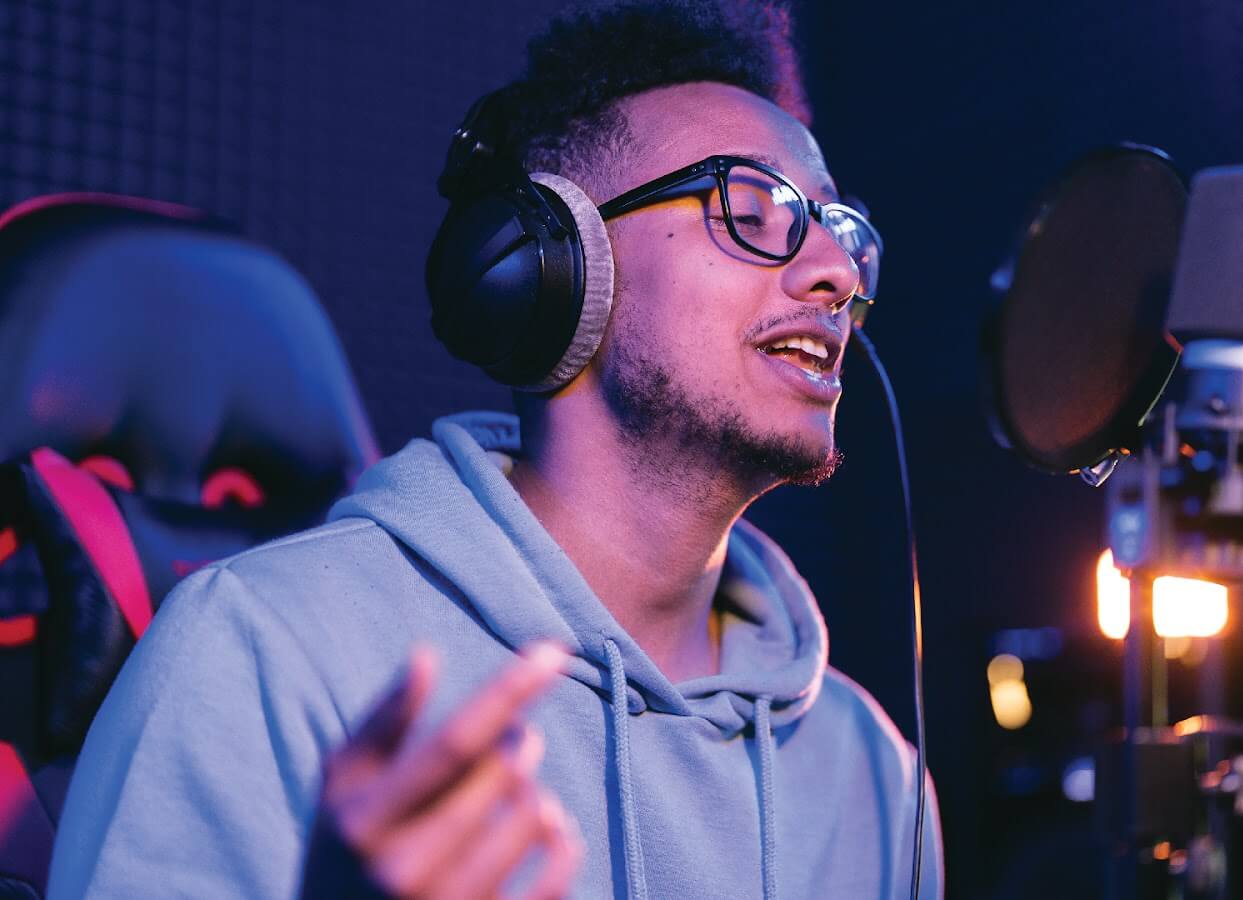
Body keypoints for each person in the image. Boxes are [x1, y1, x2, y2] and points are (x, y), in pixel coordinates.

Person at [48, 2, 943, 898]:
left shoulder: (879, 777)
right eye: (754, 206)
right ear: (552, 269)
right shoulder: (263, 650)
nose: (835, 271)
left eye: (842, 229)